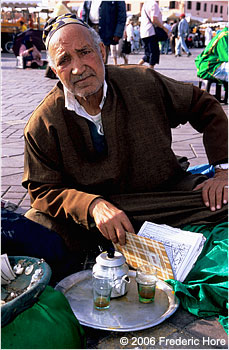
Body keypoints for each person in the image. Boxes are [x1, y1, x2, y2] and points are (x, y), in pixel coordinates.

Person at [22, 14, 227, 270]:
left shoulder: (142, 82)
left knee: (222, 198)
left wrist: (222, 171)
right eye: (64, 60)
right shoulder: (44, 122)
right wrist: (92, 205)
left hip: (164, 196)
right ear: (54, 71)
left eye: (84, 52)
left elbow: (204, 106)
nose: (78, 68)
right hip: (97, 217)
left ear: (102, 51)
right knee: (37, 224)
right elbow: (42, 190)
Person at [138, 0, 169, 68]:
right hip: (151, 32)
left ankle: (135, 68)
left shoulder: (145, 4)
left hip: (144, 32)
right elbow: (154, 19)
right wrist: (164, 28)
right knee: (154, 53)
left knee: (148, 54)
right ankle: (151, 73)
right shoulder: (154, 4)